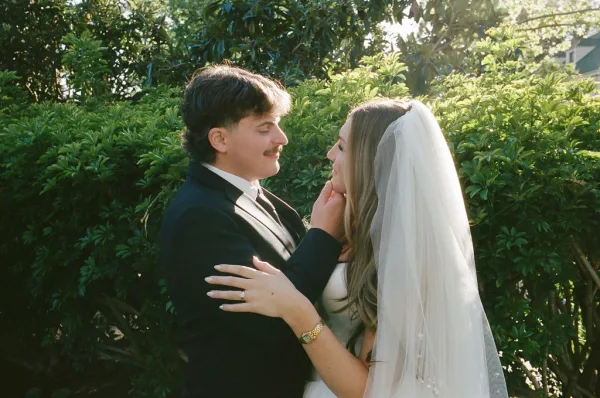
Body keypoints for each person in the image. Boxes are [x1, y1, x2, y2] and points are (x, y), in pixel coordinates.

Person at [206, 99, 510, 398]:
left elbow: (368, 389)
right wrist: (321, 233)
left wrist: (295, 309)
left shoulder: (403, 255)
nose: (329, 154)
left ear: (367, 159)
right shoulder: (347, 227)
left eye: (340, 146)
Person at [159, 65, 346, 398]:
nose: (281, 138)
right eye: (264, 128)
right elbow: (270, 323)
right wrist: (324, 236)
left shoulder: (249, 192)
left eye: (277, 124)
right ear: (220, 139)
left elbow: (289, 280)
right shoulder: (198, 217)